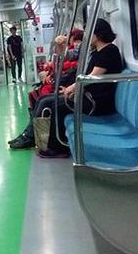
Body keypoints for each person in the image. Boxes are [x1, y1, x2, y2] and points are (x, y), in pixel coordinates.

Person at [39, 18, 123, 158]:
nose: (86, 36)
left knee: (54, 106)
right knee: (44, 100)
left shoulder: (109, 51)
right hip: (88, 96)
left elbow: (92, 77)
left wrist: (72, 88)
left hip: (96, 101)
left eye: (89, 33)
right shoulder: (96, 51)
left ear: (98, 34)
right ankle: (40, 140)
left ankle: (58, 148)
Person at [9, 29, 84, 149]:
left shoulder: (101, 53)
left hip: (82, 93)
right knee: (41, 98)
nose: (76, 44)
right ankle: (29, 134)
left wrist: (71, 87)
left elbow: (85, 74)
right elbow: (65, 56)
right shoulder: (83, 50)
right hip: (70, 85)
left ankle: (33, 137)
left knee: (45, 100)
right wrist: (60, 45)